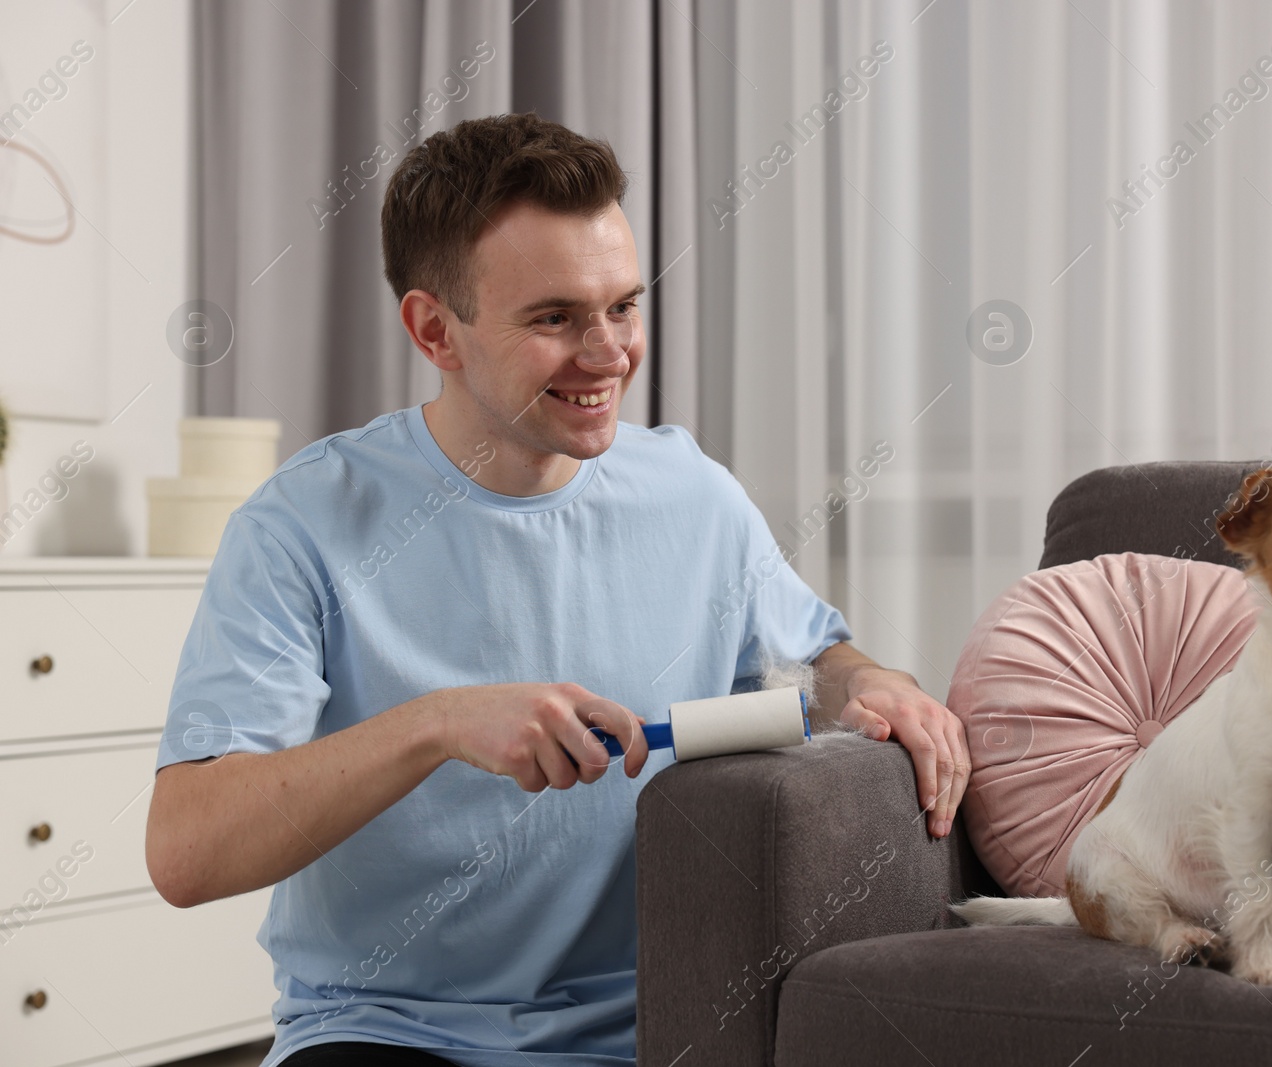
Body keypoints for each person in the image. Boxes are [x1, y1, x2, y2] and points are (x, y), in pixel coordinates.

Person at [145, 112, 972, 1067]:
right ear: (433, 329)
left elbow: (818, 654)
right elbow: (187, 851)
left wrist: (871, 682)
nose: (609, 351)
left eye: (623, 304)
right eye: (554, 317)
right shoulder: (302, 525)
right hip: (386, 1028)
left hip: (662, 1023)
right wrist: (439, 724)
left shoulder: (691, 494)